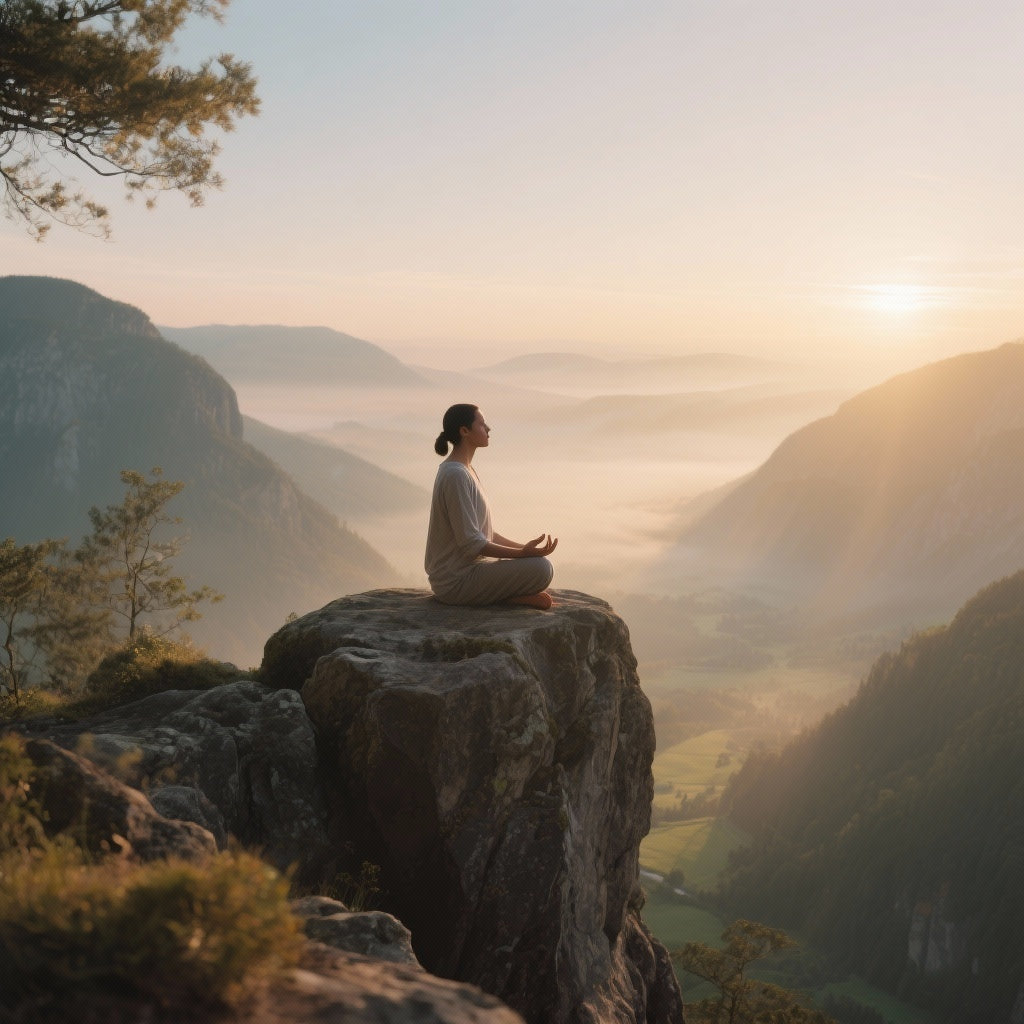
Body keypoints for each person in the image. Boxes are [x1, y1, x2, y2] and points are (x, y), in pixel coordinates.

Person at [425, 404, 557, 609]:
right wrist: (523, 555)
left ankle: (504, 596)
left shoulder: (465, 471)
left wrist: (525, 549)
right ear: (464, 431)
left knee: (541, 566)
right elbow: (471, 544)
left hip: (469, 574)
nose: (488, 429)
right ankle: (506, 598)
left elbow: (484, 534)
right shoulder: (456, 476)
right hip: (455, 583)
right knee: (542, 569)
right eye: (481, 424)